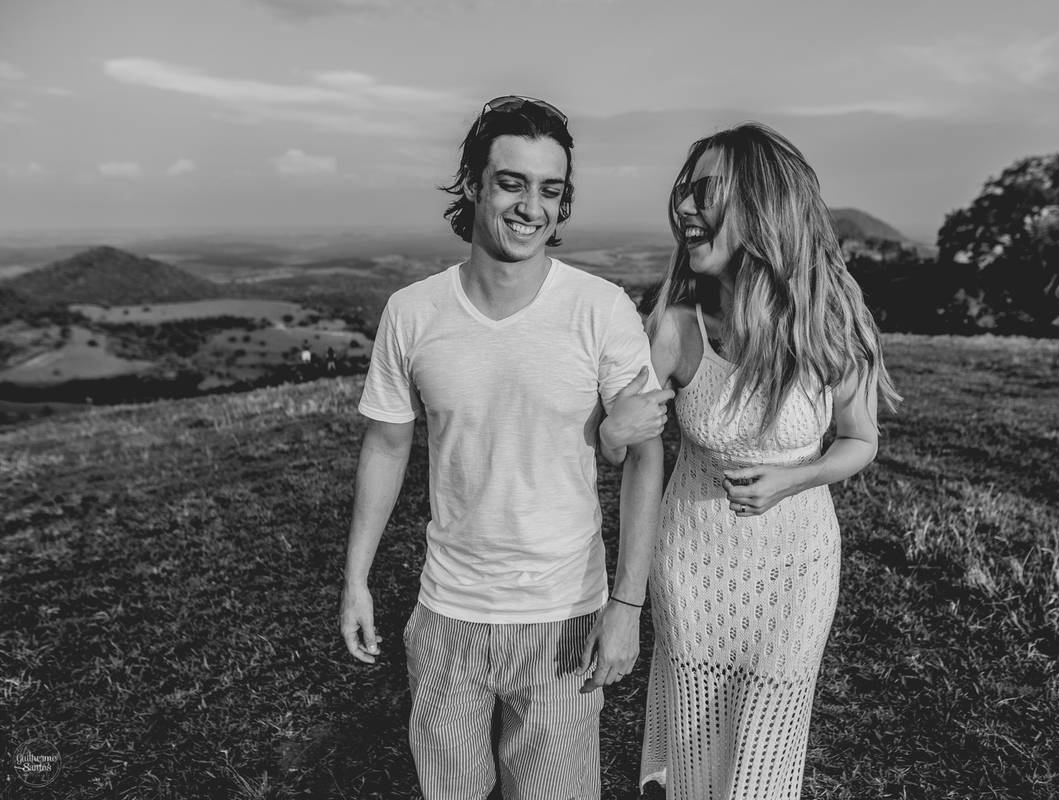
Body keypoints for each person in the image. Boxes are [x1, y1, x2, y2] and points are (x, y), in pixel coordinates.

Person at [338, 95, 672, 800]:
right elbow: (388, 446)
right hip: (446, 618)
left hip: (566, 620)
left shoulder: (600, 309)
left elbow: (645, 453)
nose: (531, 207)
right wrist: (356, 578)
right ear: (473, 185)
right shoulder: (412, 313)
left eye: (550, 190)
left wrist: (628, 606)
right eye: (513, 182)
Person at [599, 122, 902, 799]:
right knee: (697, 739)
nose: (683, 209)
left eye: (702, 192)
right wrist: (611, 433)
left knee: (769, 736)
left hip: (796, 571)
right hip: (691, 567)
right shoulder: (676, 325)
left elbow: (860, 440)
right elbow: (629, 447)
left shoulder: (833, 320)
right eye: (682, 192)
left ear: (760, 206)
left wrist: (799, 476)